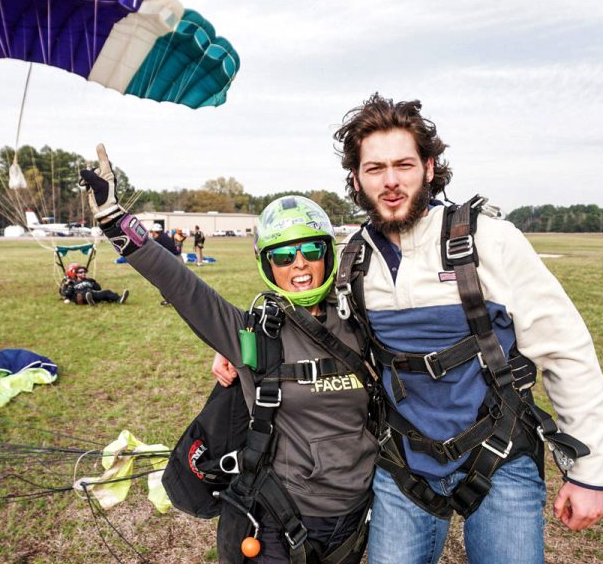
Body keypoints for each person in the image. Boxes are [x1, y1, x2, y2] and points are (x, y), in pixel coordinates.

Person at [332, 94, 603, 563]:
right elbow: (312, 327)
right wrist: (245, 345)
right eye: (375, 168)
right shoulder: (354, 262)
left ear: (429, 166)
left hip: (499, 455)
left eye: (404, 164)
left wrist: (587, 473)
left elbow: (566, 351)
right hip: (404, 465)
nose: (392, 181)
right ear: (357, 178)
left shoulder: (490, 240)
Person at [80, 144, 379, 564]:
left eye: (311, 250)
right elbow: (181, 285)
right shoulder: (251, 334)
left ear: (328, 254)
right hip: (282, 520)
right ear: (266, 264)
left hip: (355, 516)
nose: (298, 264)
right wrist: (116, 221)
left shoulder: (363, 323)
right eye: (282, 255)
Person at [59, 263, 129, 305]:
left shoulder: (89, 280)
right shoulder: (73, 283)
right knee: (83, 294)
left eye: (84, 272)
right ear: (76, 274)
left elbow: (98, 288)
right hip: (81, 295)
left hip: (92, 294)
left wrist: (93, 281)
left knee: (107, 292)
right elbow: (67, 294)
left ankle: (119, 299)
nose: (83, 273)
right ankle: (88, 300)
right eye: (80, 272)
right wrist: (66, 285)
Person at [149, 223, 179, 305]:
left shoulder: (158, 240)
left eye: (152, 233)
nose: (152, 234)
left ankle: (170, 300)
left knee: (162, 283)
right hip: (175, 260)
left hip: (170, 262)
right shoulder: (165, 237)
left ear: (156, 232)